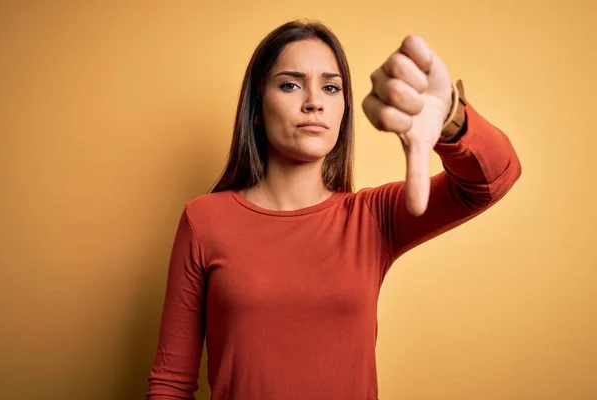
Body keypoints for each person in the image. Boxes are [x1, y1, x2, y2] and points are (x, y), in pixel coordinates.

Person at [145, 20, 521, 400]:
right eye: (290, 84)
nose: (314, 101)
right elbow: (171, 384)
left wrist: (450, 117)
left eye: (331, 87)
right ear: (257, 108)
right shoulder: (204, 220)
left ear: (343, 109)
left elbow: (493, 179)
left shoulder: (371, 217)